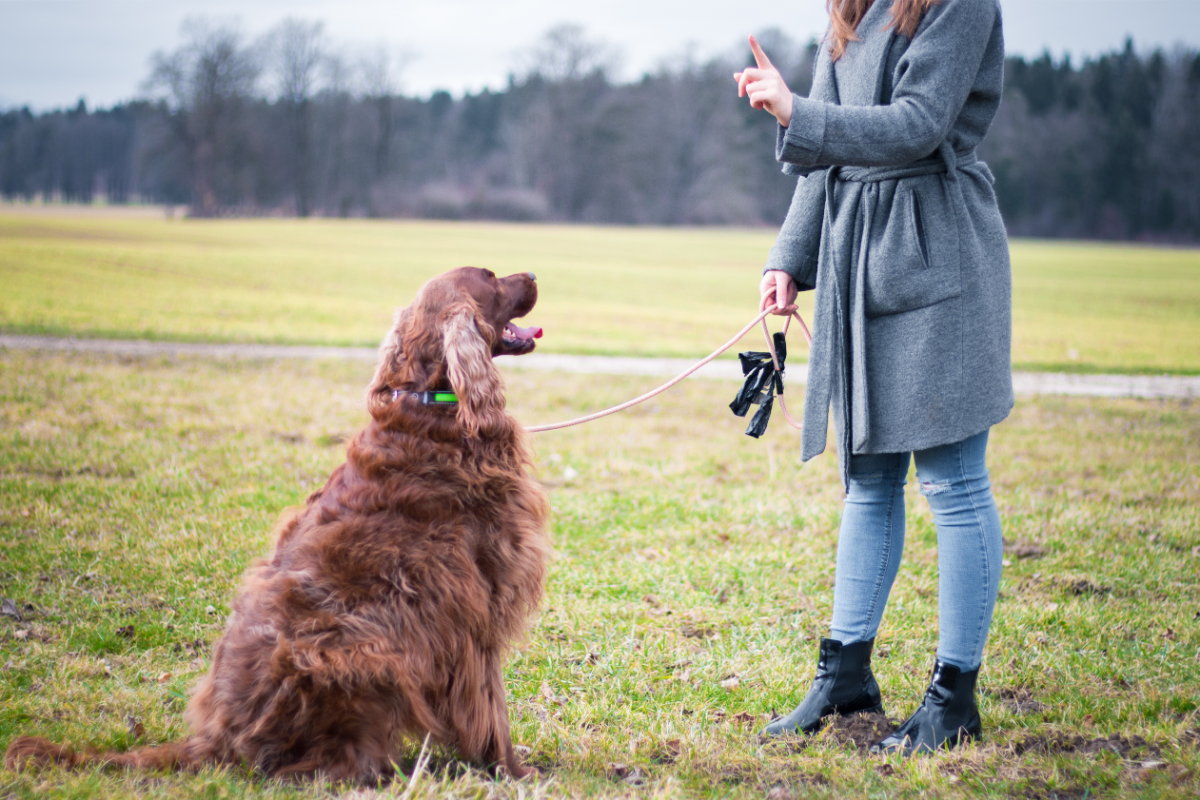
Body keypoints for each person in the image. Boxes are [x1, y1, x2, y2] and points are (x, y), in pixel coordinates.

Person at [734, 0, 1012, 754]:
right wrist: (786, 260)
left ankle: (955, 699)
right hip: (856, 257)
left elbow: (918, 124)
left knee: (953, 480)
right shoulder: (851, 9)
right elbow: (826, 153)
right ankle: (845, 675)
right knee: (868, 477)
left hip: (939, 252)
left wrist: (798, 110)